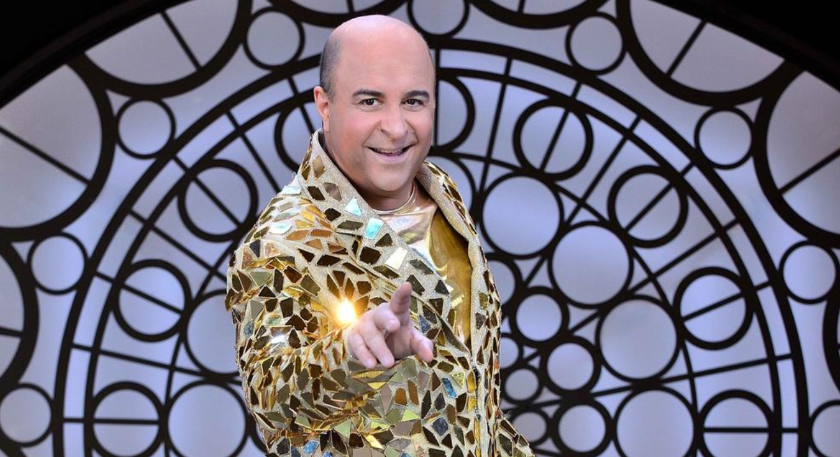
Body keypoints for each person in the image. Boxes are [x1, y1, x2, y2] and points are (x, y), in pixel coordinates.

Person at [225, 15, 533, 457]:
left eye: (413, 101)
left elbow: (471, 388)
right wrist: (351, 357)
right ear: (325, 105)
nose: (396, 127)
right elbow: (272, 403)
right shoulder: (280, 241)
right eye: (370, 101)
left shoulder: (440, 189)